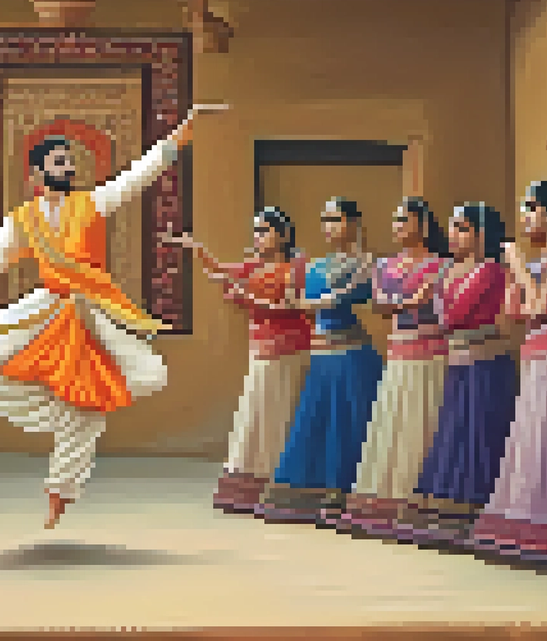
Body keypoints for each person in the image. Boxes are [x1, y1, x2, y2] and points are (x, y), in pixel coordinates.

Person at [0, 103, 225, 529]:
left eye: (70, 160)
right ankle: (60, 416)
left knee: (149, 377)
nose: (68, 166)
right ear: (37, 175)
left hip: (92, 307)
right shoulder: (22, 220)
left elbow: (137, 178)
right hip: (47, 306)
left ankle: (62, 486)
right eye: (58, 161)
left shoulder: (92, 203)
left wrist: (179, 136)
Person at [467, 182, 547, 564]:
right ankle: (532, 522)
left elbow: (541, 306)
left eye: (532, 208)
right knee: (534, 440)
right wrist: (520, 278)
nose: (525, 217)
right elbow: (513, 319)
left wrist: (520, 268)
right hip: (535, 355)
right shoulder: (538, 264)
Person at [168, 207, 311, 514]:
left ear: (283, 235)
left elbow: (290, 307)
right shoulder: (254, 267)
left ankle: (281, 483)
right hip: (260, 351)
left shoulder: (297, 267)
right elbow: (220, 270)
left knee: (281, 414)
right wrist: (196, 249)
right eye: (256, 231)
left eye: (265, 231)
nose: (259, 237)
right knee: (257, 414)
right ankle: (253, 484)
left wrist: (244, 296)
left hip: (289, 350)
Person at [257, 198, 382, 523]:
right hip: (322, 357)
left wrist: (304, 301)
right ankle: (314, 496)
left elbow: (337, 299)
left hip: (352, 356)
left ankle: (348, 496)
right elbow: (294, 303)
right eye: (325, 219)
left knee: (350, 425)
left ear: (353, 223)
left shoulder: (367, 263)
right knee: (317, 423)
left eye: (336, 219)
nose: (328, 226)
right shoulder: (313, 265)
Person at [333, 197, 450, 537]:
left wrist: (402, 304)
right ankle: (387, 498)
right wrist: (408, 303)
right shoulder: (384, 265)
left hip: (432, 354)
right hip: (399, 353)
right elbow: (380, 305)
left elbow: (434, 305)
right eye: (395, 221)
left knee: (424, 422)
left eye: (404, 220)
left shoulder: (441, 265)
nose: (397, 226)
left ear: (423, 225)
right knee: (394, 422)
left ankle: (421, 499)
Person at [406, 203, 516, 544]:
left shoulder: (492, 272)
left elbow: (469, 321)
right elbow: (443, 320)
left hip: (486, 366)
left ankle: (477, 514)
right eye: (453, 227)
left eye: (464, 228)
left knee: (479, 436)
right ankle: (450, 514)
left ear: (482, 234)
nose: (454, 234)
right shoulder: (447, 272)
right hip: (457, 363)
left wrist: (451, 322)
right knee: (454, 433)